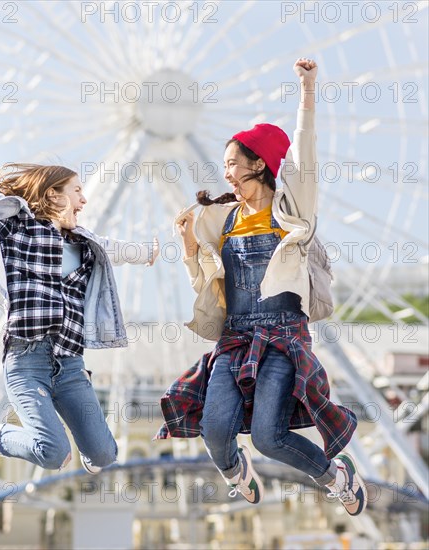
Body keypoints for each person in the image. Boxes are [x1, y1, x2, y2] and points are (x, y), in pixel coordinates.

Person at [0, 79, 159, 474]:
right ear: (54, 193)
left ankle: (77, 441)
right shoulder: (19, 228)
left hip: (71, 363)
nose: (85, 199)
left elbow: (114, 248)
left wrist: (152, 253)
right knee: (53, 454)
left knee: (105, 456)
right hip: (27, 360)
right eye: (77, 190)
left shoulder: (84, 241)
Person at [156, 59, 367, 516]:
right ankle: (236, 472)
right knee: (214, 431)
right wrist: (191, 250)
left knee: (271, 438)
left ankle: (337, 477)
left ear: (259, 164)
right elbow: (210, 288)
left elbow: (305, 154)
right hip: (235, 338)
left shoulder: (293, 212)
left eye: (233, 163)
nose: (226, 172)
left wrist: (307, 93)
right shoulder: (223, 220)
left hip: (283, 336)